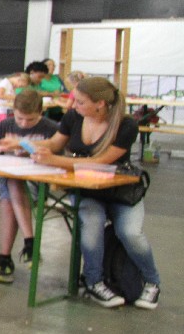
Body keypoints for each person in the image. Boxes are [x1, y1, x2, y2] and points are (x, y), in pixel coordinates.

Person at [33, 76, 161, 309]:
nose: (74, 106)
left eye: (80, 102)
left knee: (131, 233)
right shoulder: (73, 117)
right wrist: (24, 145)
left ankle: (152, 282)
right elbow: (54, 143)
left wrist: (56, 161)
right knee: (91, 230)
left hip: (122, 192)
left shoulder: (126, 125)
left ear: (100, 104)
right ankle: (94, 282)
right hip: (86, 191)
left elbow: (101, 162)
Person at [0, 89, 59, 284]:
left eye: (30, 120)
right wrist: (0, 148)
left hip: (36, 181)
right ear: (13, 112)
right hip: (5, 178)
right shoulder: (5, 125)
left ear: (41, 112)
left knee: (9, 200)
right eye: (20, 119)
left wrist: (32, 151)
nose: (24, 124)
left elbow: (59, 158)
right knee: (13, 179)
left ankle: (5, 259)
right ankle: (30, 243)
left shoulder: (51, 129)